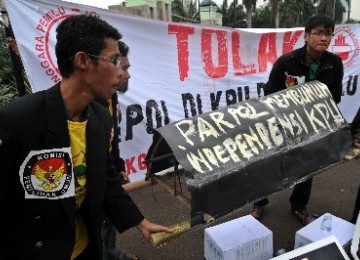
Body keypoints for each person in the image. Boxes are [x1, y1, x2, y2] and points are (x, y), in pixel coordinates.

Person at [0, 14, 171, 260]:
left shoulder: (100, 118)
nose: (121, 72)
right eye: (113, 61)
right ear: (83, 61)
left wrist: (139, 222)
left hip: (85, 248)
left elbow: (106, 179)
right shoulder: (16, 121)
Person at [250, 14, 344, 225]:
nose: (323, 38)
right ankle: (259, 202)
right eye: (318, 33)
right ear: (306, 35)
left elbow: (336, 96)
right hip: (281, 123)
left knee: (308, 166)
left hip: (312, 124)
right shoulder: (286, 62)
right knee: (266, 163)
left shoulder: (334, 64)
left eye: (327, 34)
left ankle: (299, 206)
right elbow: (270, 93)